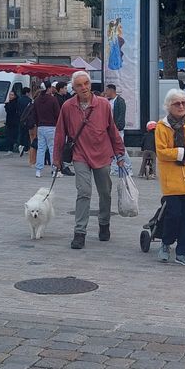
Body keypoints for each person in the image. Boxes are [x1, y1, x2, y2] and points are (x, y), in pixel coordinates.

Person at [53, 71, 126, 250]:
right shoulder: (68, 107)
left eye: (86, 83)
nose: (84, 87)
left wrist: (120, 154)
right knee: (84, 192)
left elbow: (113, 131)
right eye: (79, 85)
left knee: (105, 193)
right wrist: (57, 158)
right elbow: (60, 133)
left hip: (102, 154)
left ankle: (104, 223)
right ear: (74, 88)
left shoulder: (103, 104)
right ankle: (80, 232)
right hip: (80, 155)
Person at [155, 89, 185, 266]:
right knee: (173, 214)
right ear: (168, 106)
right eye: (177, 103)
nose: (181, 106)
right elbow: (162, 152)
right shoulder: (162, 126)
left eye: (184, 103)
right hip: (171, 178)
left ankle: (182, 252)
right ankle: (166, 243)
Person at [29, 82, 62, 177]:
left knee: (41, 149)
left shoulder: (37, 100)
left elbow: (34, 114)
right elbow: (57, 114)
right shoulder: (53, 100)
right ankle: (54, 169)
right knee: (52, 149)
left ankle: (38, 170)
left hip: (40, 126)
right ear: (48, 88)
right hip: (51, 126)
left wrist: (38, 123)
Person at [5, 86, 24, 155]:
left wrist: (6, 105)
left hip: (14, 121)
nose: (10, 96)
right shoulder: (9, 103)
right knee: (10, 135)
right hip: (10, 121)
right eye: (10, 95)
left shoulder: (14, 103)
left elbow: (10, 111)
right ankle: (12, 148)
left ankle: (15, 147)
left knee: (12, 135)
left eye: (12, 95)